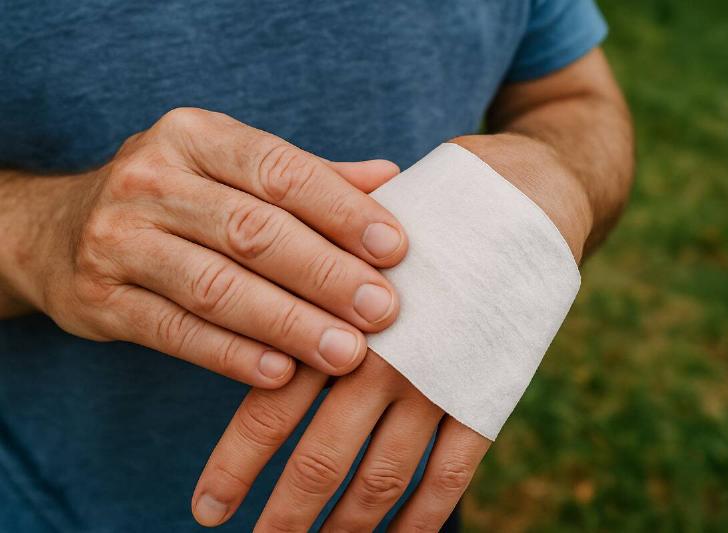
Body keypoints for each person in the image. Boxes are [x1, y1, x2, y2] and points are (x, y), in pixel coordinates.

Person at [0, 1, 633, 531]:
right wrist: (38, 229)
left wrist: (559, 178)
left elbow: (572, 92)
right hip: (51, 497)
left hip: (403, 494)